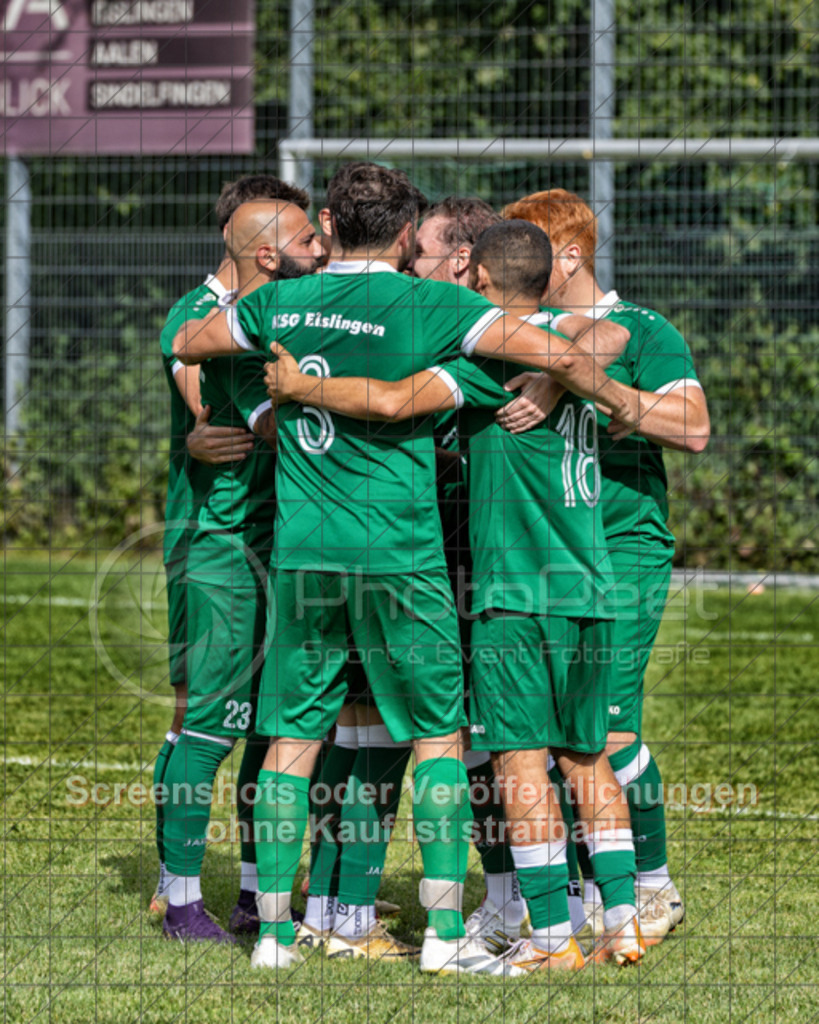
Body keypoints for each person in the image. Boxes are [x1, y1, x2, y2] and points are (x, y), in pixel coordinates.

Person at [262, 219, 650, 969]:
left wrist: (302, 385)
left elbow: (388, 400)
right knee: (586, 758)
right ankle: (622, 919)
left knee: (518, 763)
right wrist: (568, 374)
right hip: (591, 584)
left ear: (477, 282)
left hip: (516, 588)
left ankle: (548, 939)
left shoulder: (487, 365)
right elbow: (605, 335)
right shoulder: (573, 349)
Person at [499, 188, 710, 940]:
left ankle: (652, 888)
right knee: (538, 736)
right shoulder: (512, 331)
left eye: (523, 253)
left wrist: (593, 385)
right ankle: (576, 894)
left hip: (618, 554)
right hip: (531, 561)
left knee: (606, 735)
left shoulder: (644, 329)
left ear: (567, 258)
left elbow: (692, 428)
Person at [158, 196, 324, 944]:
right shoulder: (230, 332)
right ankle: (182, 900)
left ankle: (257, 895)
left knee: (271, 730)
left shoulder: (288, 318)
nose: (321, 249)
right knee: (208, 726)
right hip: (230, 552)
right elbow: (266, 420)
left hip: (286, 550)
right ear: (268, 256)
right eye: (307, 239)